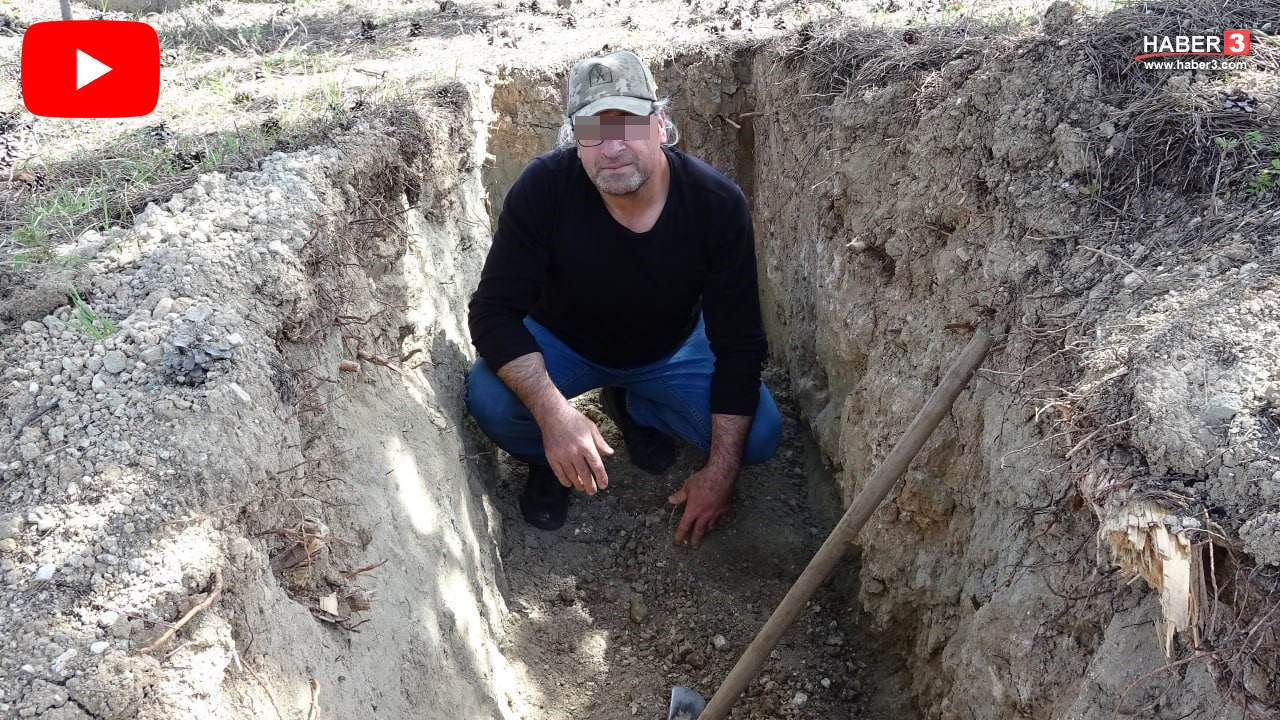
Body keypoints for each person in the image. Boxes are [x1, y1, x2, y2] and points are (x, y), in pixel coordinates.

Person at [465, 49, 782, 549]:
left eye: (628, 124)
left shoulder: (716, 204)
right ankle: (550, 460)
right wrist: (554, 417)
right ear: (575, 138)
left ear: (659, 123)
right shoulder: (544, 188)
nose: (612, 147)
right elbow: (493, 312)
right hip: (563, 343)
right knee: (492, 401)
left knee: (758, 437)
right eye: (593, 129)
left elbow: (739, 343)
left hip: (671, 348)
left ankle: (634, 406)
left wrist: (722, 472)